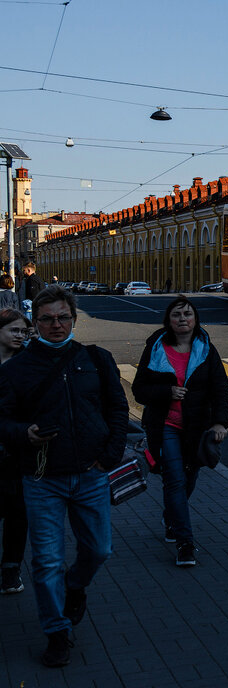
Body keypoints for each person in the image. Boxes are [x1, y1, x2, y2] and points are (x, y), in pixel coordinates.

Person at [0, 286, 128, 668]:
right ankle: (57, 632)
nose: (56, 324)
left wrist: (109, 457)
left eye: (63, 317)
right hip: (42, 480)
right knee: (46, 561)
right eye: (47, 319)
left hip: (91, 475)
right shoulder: (16, 369)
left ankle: (75, 586)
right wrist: (24, 433)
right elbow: (2, 421)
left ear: (73, 318)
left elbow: (118, 410)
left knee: (99, 550)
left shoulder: (96, 359)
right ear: (35, 323)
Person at [132, 296, 228, 569]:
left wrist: (220, 423)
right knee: (174, 480)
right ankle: (185, 543)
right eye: (177, 314)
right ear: (169, 320)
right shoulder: (156, 347)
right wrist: (167, 392)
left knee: (189, 477)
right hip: (165, 425)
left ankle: (172, 516)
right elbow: (139, 389)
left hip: (196, 427)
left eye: (187, 314)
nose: (183, 319)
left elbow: (220, 388)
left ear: (195, 319)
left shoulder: (206, 349)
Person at [0, 309, 32, 595]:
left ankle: (11, 569)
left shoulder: (27, 363)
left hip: (17, 451)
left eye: (23, 331)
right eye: (14, 330)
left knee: (17, 513)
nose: (20, 336)